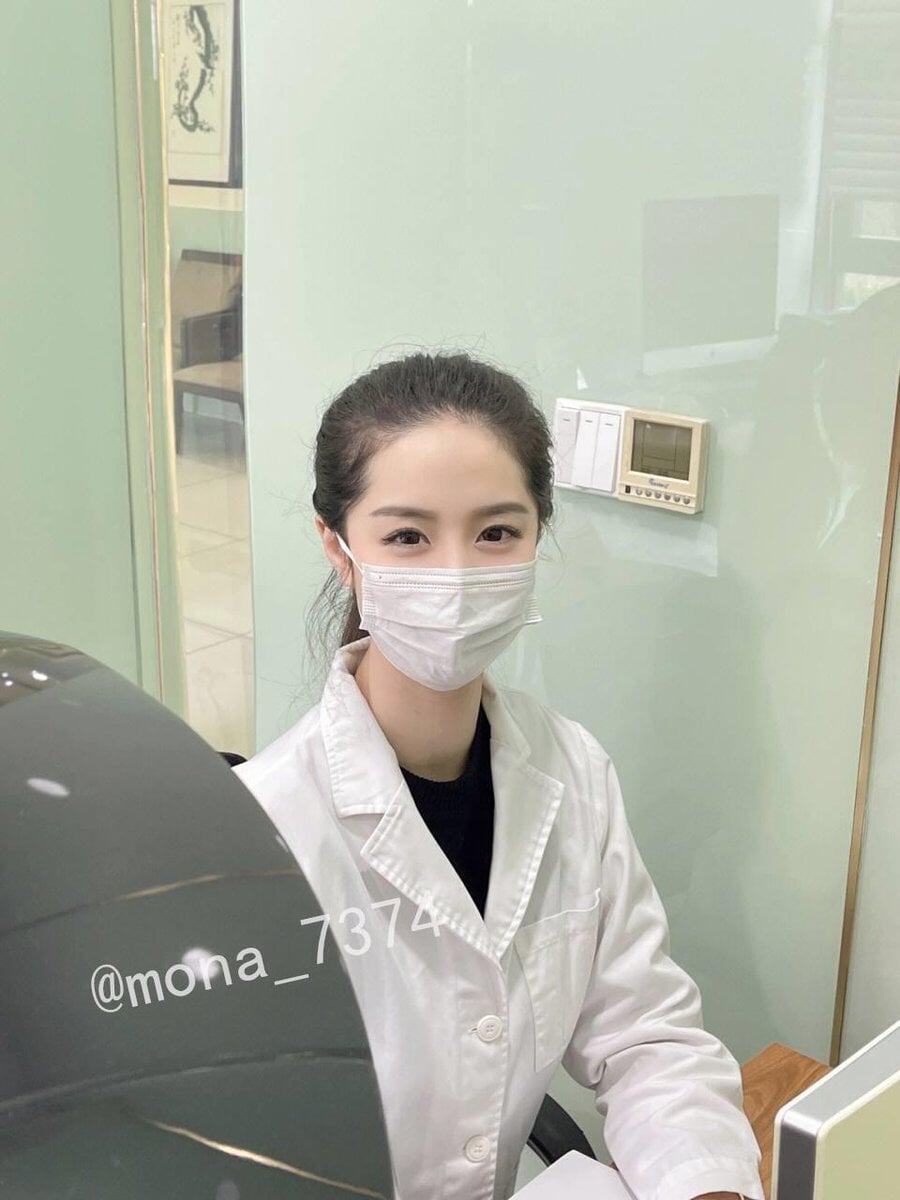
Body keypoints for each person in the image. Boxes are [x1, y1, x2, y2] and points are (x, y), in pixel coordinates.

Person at [234, 352, 764, 1200]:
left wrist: (705, 1184)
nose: (455, 574)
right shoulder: (258, 834)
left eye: (495, 533)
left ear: (537, 537)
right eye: (407, 536)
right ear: (338, 547)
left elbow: (647, 1038)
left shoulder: (573, 772)